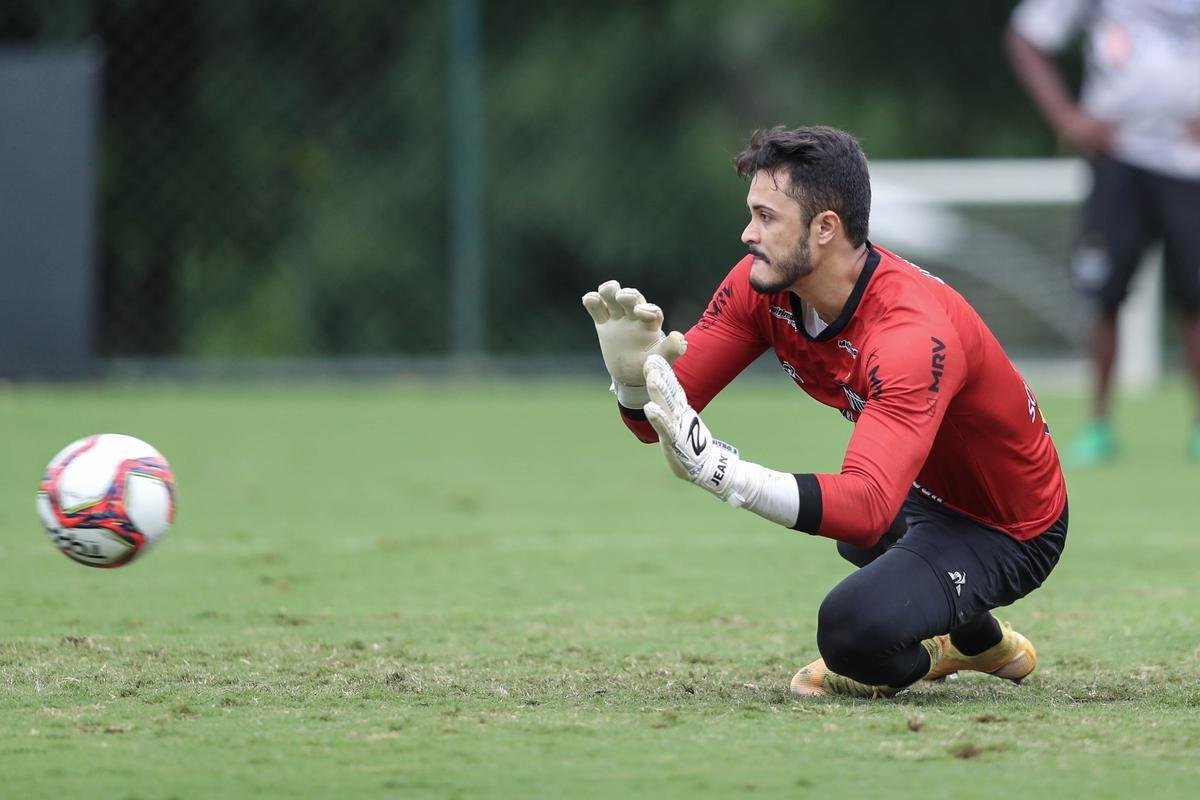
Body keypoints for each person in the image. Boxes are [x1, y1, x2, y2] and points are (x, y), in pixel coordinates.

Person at [582, 126, 1069, 698]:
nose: (747, 234)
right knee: (859, 539)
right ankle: (979, 641)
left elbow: (865, 507)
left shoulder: (910, 333)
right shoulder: (761, 287)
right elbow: (656, 420)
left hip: (1007, 524)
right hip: (922, 489)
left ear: (825, 228)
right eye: (751, 214)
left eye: (767, 217)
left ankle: (933, 656)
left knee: (851, 630)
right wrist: (630, 378)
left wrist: (724, 472)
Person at [1006, 0, 1200, 465]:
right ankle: (1098, 425)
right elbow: (1027, 36)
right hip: (1119, 157)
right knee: (1103, 293)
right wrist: (1067, 118)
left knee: (1196, 298)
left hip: (1190, 163)